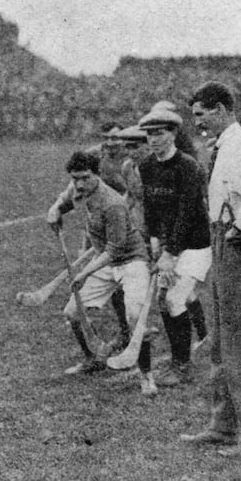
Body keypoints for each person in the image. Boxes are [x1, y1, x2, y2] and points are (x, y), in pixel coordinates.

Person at [181, 82, 241, 458]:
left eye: (202, 113)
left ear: (220, 109)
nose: (199, 121)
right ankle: (223, 426)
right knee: (221, 342)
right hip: (225, 239)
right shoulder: (224, 145)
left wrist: (240, 226)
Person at [47, 151, 157, 395]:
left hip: (130, 260)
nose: (79, 184)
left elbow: (114, 250)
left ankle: (146, 375)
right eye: (75, 178)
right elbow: (63, 201)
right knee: (72, 312)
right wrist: (54, 210)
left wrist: (84, 273)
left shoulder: (113, 203)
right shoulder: (78, 189)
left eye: (85, 178)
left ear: (96, 174)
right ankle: (93, 358)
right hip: (104, 259)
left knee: (135, 315)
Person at [130, 109, 211, 388]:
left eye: (160, 133)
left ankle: (183, 367)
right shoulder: (147, 166)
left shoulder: (188, 166)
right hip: (168, 244)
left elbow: (188, 213)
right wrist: (154, 240)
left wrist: (170, 253)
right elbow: (151, 207)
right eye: (149, 134)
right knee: (166, 299)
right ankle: (181, 358)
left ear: (174, 133)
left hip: (196, 244)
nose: (153, 140)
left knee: (175, 299)